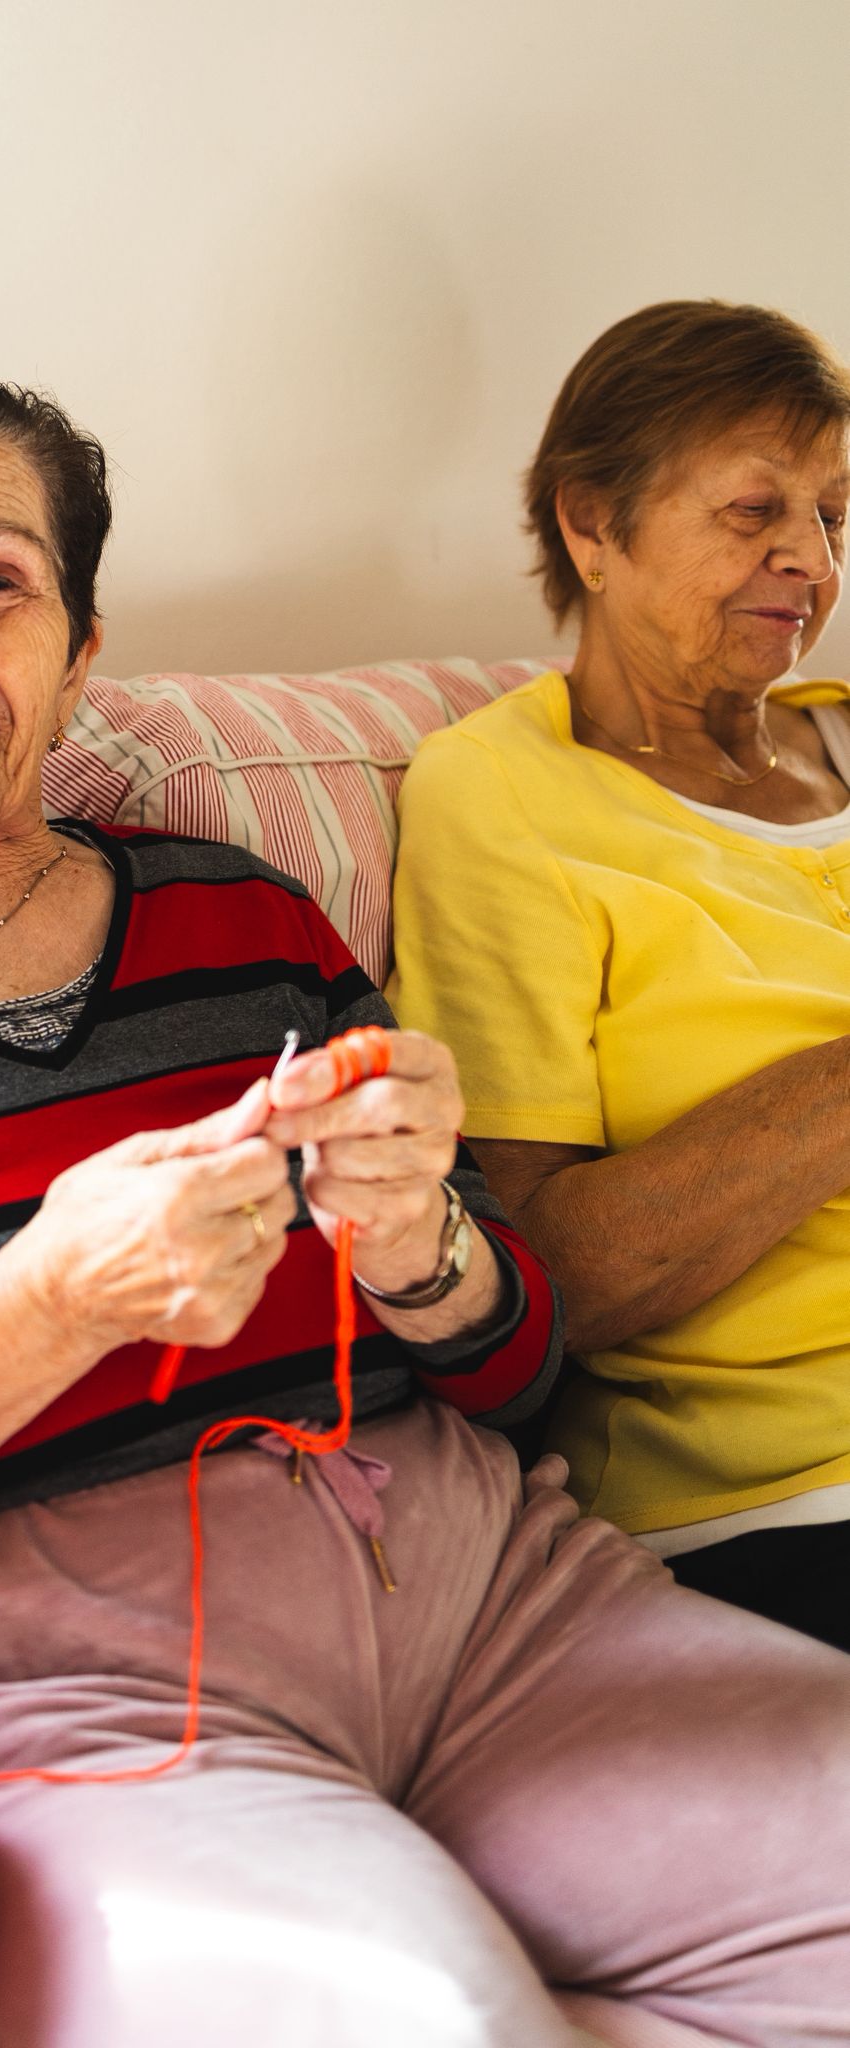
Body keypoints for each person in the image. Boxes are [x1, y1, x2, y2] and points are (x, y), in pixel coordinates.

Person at [0, 357, 850, 2048]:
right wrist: (44, 1305)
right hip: (63, 1705)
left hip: (498, 1617)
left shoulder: (243, 919)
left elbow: (518, 1370)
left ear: (78, 653)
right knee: (423, 2024)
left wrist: (431, 1252)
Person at [393, 298, 850, 1653]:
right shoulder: (503, 794)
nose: (810, 557)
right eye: (753, 510)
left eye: (834, 514)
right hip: (785, 1488)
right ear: (591, 524)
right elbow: (542, 1277)